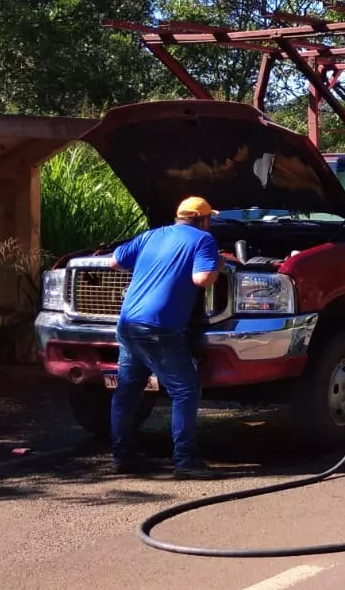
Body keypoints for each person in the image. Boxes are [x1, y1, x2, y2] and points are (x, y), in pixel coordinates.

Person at [109, 196, 223, 479]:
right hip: (159, 328)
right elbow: (202, 279)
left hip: (128, 323)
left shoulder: (153, 235)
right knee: (185, 389)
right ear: (203, 220)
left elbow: (114, 261)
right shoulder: (203, 240)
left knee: (127, 391)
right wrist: (219, 263)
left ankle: (122, 457)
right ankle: (185, 460)